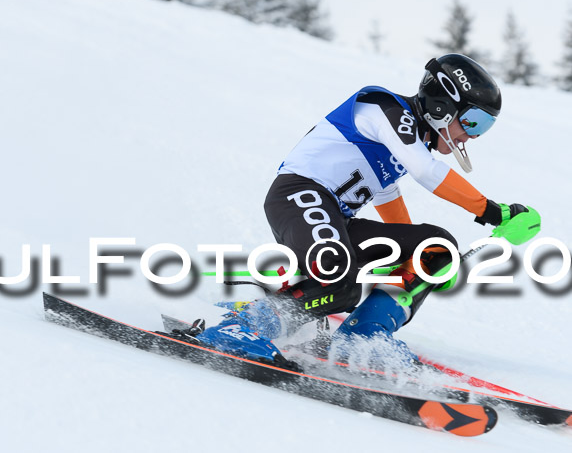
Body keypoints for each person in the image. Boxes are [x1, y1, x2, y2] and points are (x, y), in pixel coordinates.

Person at [188, 54, 530, 368]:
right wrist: (493, 212)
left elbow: (388, 199)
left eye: (483, 128)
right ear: (443, 106)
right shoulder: (383, 107)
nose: (471, 136)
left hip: (334, 217)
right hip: (298, 197)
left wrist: (421, 262)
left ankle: (362, 338)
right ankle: (243, 325)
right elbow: (426, 171)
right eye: (472, 122)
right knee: (340, 281)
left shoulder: (406, 144)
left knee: (435, 246)